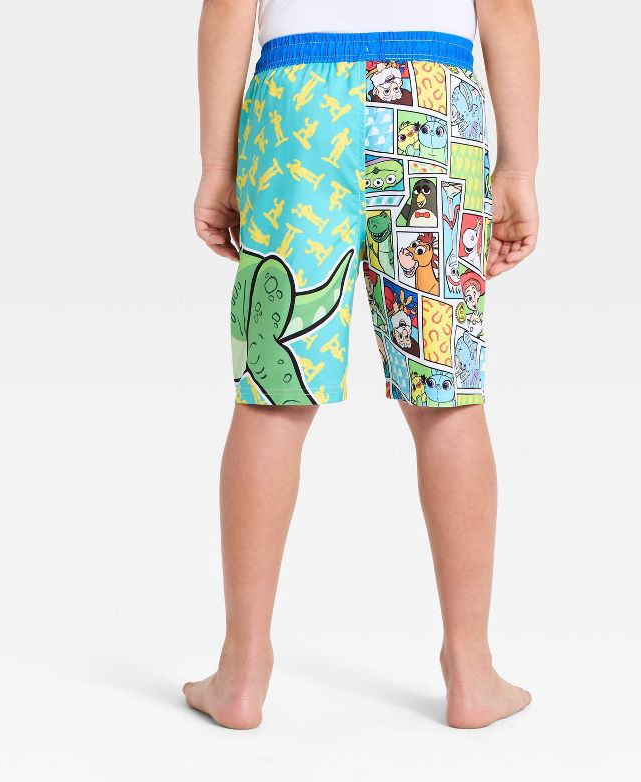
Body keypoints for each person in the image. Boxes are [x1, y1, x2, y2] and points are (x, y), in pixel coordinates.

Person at [184, 0, 540, 729]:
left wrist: (218, 166)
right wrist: (519, 167)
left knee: (274, 389)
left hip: (296, 104)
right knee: (446, 394)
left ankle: (242, 671)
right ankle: (471, 670)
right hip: (432, 105)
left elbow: (227, 9)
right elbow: (507, 9)